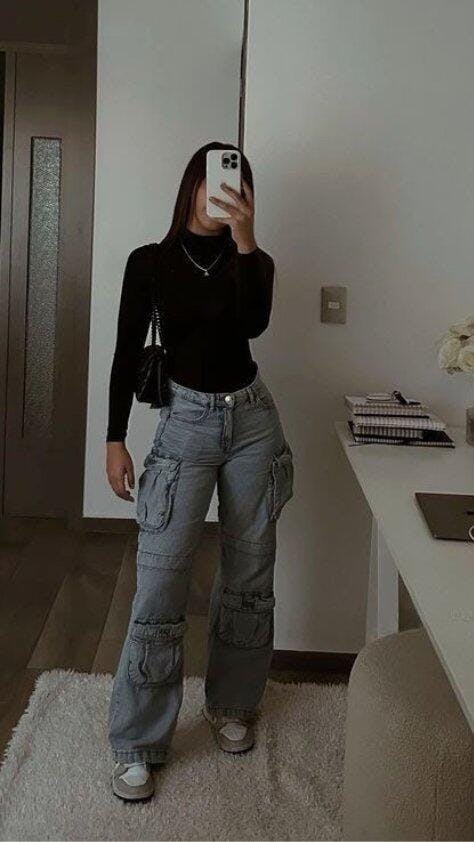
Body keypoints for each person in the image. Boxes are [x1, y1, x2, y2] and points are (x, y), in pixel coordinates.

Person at [105, 141, 294, 802]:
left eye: (237, 183)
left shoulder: (254, 262)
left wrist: (245, 240)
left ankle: (232, 704)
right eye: (214, 180)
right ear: (192, 184)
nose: (223, 192)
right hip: (184, 423)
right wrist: (114, 438)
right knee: (161, 578)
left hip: (253, 422)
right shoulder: (149, 263)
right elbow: (126, 352)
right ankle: (138, 739)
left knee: (249, 573)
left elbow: (253, 325)